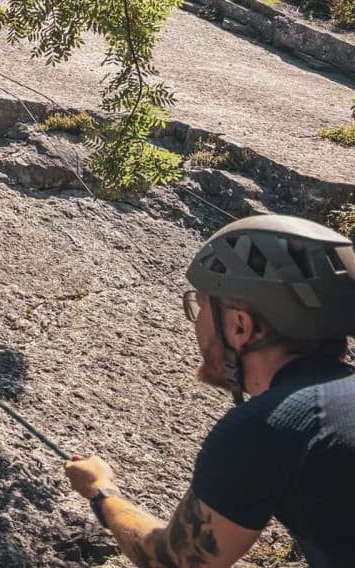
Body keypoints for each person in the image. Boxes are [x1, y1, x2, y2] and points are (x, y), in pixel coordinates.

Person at [64, 215, 355, 567]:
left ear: (239, 324)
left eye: (201, 305)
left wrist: (101, 492)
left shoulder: (268, 429)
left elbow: (174, 559)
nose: (197, 321)